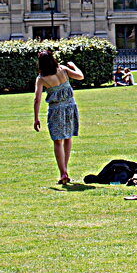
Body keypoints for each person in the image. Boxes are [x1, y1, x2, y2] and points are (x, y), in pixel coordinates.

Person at [33, 49, 84, 185]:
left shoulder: (41, 78)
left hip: (56, 110)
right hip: (70, 107)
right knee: (68, 137)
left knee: (57, 140)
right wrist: (73, 65)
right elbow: (80, 76)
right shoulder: (63, 69)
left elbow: (37, 99)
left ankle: (63, 172)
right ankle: (65, 170)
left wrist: (36, 118)